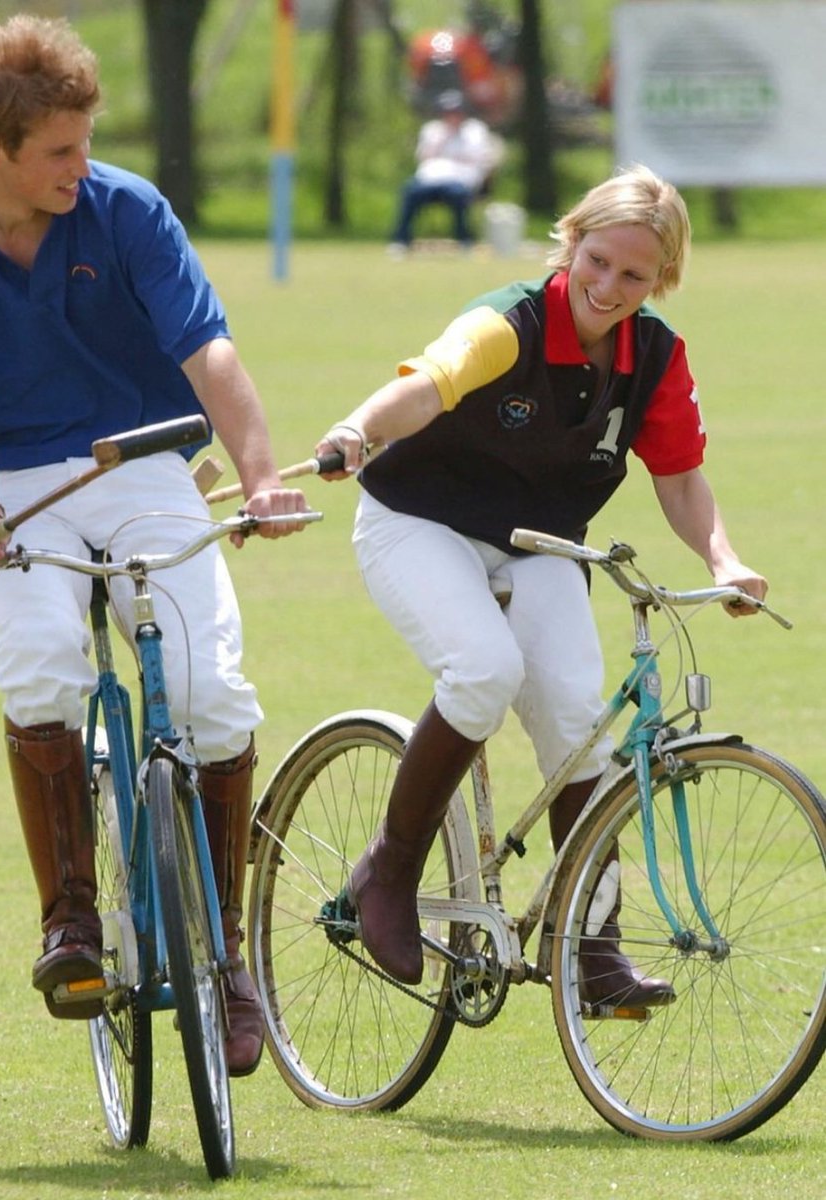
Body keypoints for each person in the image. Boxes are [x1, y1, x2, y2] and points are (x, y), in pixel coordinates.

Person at [0, 15, 308, 1075]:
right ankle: (70, 921)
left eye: (85, 143)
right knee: (42, 669)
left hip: (144, 458)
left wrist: (257, 476)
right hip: (13, 481)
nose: (83, 166)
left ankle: (228, 961)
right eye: (59, 152)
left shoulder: (125, 209)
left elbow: (209, 353)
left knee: (211, 692)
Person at [315, 164, 768, 1004]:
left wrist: (723, 560)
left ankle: (592, 951)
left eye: (634, 275)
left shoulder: (657, 356)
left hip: (540, 542)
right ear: (573, 242)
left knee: (579, 721)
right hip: (420, 521)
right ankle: (391, 869)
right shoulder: (509, 322)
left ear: (660, 280)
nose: (608, 285)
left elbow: (679, 478)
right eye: (597, 260)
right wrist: (356, 428)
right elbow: (432, 383)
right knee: (484, 672)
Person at [389, 89, 504, 255]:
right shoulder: (432, 130)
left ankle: (465, 240)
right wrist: (444, 140)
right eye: (448, 112)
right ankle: (401, 240)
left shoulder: (475, 130)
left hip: (460, 181)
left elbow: (478, 158)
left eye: (456, 112)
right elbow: (424, 156)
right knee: (409, 191)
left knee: (458, 196)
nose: (452, 116)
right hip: (429, 179)